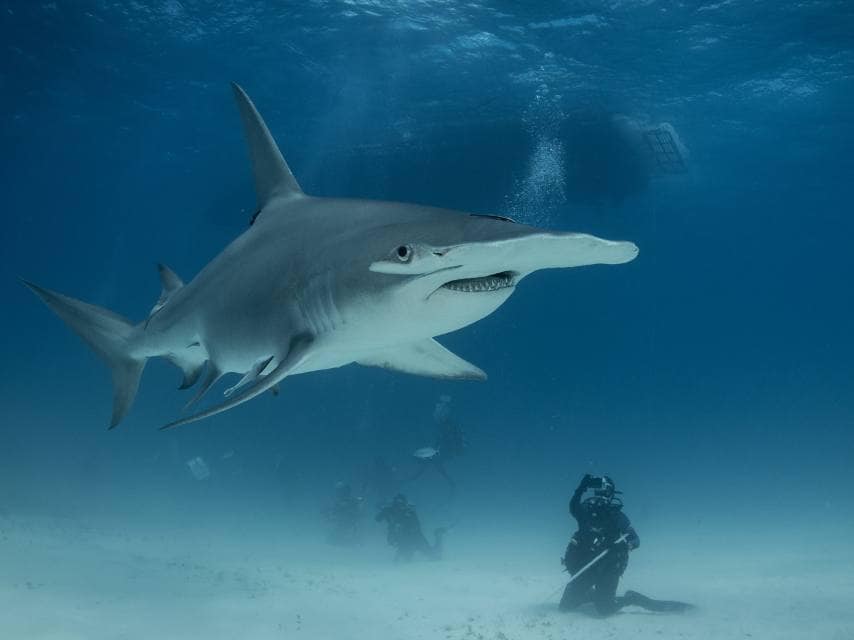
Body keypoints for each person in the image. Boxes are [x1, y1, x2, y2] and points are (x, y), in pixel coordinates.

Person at [560, 474, 692, 616]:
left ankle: (631, 598)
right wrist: (581, 489)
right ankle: (592, 595)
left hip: (608, 566)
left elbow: (636, 540)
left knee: (605, 610)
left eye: (605, 492)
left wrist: (622, 546)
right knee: (565, 607)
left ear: (611, 494)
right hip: (589, 565)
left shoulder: (617, 516)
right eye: (599, 492)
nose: (601, 496)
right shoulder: (585, 512)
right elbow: (573, 507)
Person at [375, 494, 445, 562]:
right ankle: (407, 551)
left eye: (401, 504)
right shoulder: (389, 510)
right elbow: (378, 519)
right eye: (397, 504)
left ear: (404, 504)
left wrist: (409, 530)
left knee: (433, 555)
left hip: (415, 536)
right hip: (399, 538)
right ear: (394, 503)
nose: (399, 506)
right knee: (406, 557)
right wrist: (383, 510)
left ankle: (438, 534)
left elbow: (417, 526)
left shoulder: (409, 512)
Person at [325, 482, 363, 546]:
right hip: (341, 524)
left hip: (349, 525)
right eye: (338, 491)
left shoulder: (353, 500)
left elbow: (358, 513)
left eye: (340, 491)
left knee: (339, 540)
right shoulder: (339, 501)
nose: (338, 493)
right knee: (332, 541)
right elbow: (334, 512)